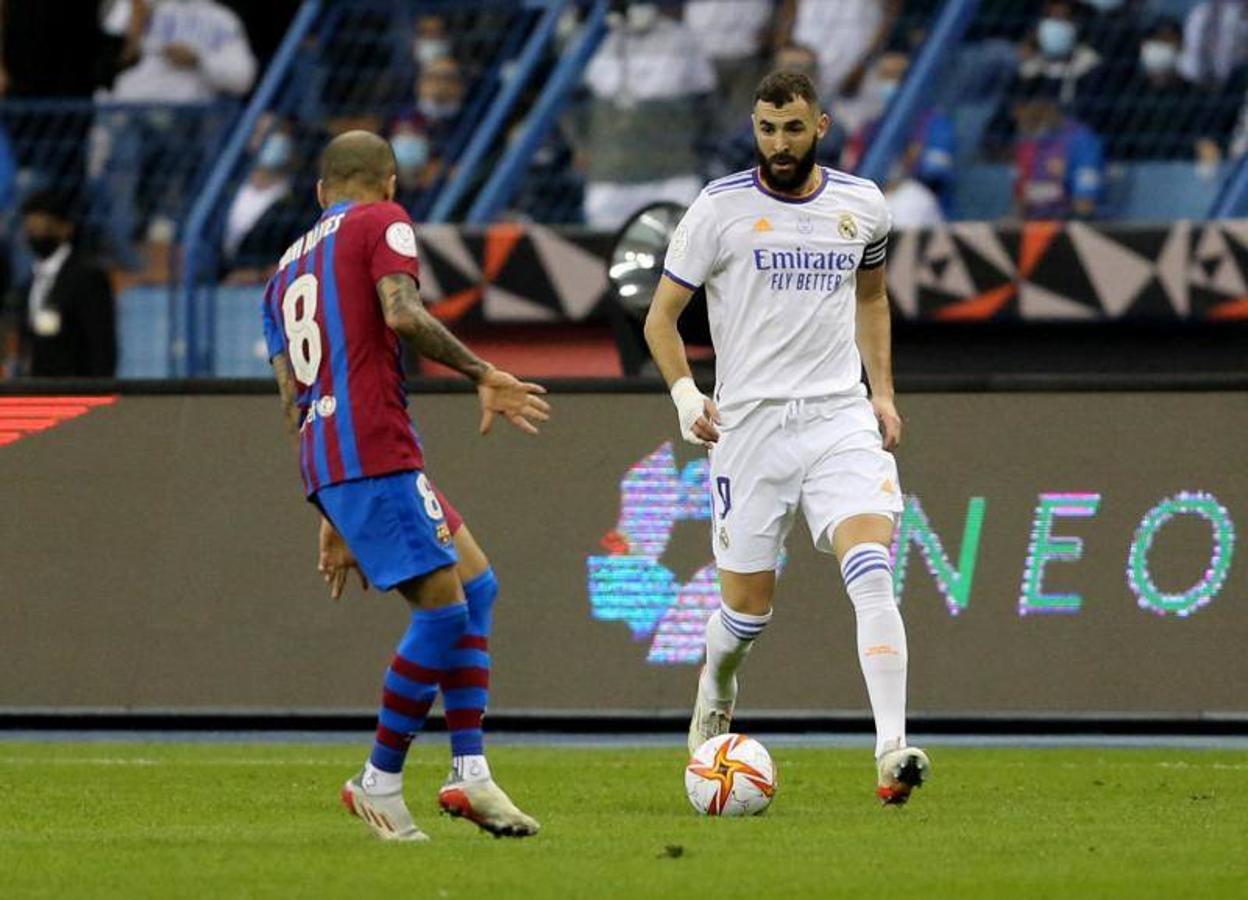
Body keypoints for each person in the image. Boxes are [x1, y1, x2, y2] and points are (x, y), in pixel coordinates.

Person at [644, 71, 930, 805]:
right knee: (745, 617)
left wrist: (883, 394)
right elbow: (661, 318)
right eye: (767, 130)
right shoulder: (719, 209)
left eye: (792, 129)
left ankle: (892, 751)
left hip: (839, 417)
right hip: (750, 429)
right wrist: (684, 394)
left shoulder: (863, 206)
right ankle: (717, 680)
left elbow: (872, 299)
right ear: (754, 128)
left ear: (821, 126)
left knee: (870, 567)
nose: (778, 144)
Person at [261, 131, 550, 842]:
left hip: (337, 457)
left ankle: (470, 773)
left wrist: (329, 506)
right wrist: (485, 373)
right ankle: (379, 781)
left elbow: (292, 398)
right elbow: (401, 311)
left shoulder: (280, 272)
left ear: (320, 192)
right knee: (446, 615)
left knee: (476, 586)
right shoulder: (382, 222)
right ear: (389, 182)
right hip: (373, 448)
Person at [2, 190, 116, 378]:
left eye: (41, 226)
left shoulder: (87, 277)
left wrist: (99, 394)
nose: (33, 233)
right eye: (29, 227)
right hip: (38, 392)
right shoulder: (31, 281)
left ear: (64, 228)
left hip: (75, 392)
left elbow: (102, 346)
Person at [1013, 78, 1104, 219]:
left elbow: (1085, 204)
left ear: (1049, 109)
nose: (1025, 122)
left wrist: (1067, 174)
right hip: (1032, 221)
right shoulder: (1026, 142)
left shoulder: (1081, 140)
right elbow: (1020, 194)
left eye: (1033, 116)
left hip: (1067, 220)